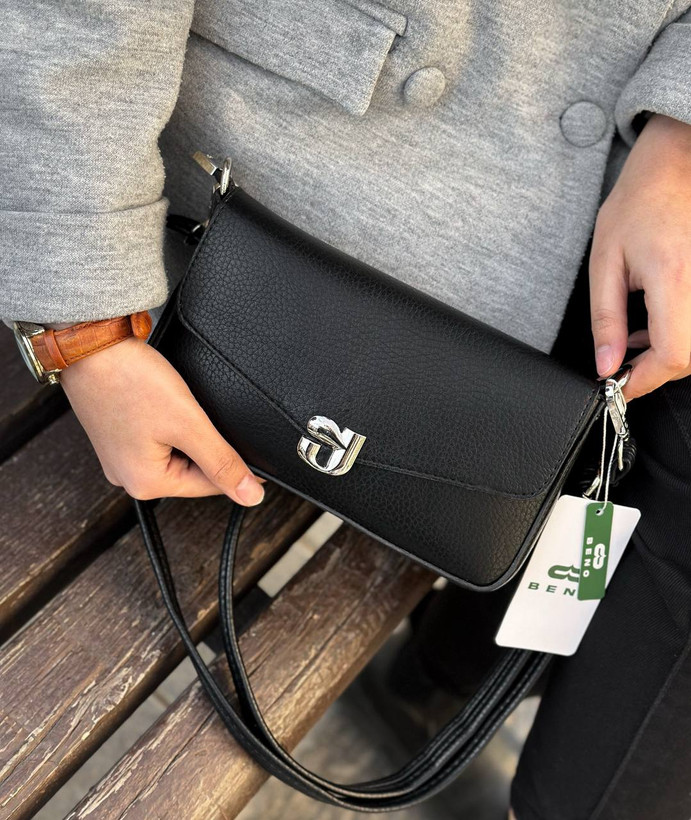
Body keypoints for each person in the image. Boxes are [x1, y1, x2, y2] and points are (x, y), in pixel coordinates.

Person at [3, 2, 690, 817]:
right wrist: (83, 327)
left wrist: (679, 133)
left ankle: (457, 703)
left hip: (598, 232)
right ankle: (440, 689)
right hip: (235, 206)